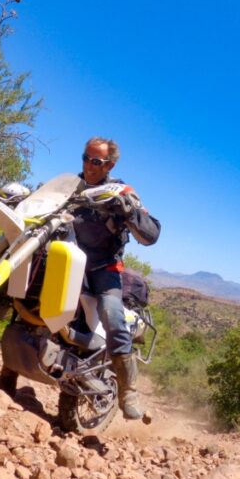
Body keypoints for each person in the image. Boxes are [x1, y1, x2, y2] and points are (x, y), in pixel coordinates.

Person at [73, 137, 161, 420]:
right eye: (86, 158)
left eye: (96, 161)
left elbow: (152, 233)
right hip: (68, 259)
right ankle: (7, 375)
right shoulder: (71, 186)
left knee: (112, 316)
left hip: (103, 270)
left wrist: (129, 211)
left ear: (110, 164)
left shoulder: (120, 190)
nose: (88, 165)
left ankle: (128, 393)